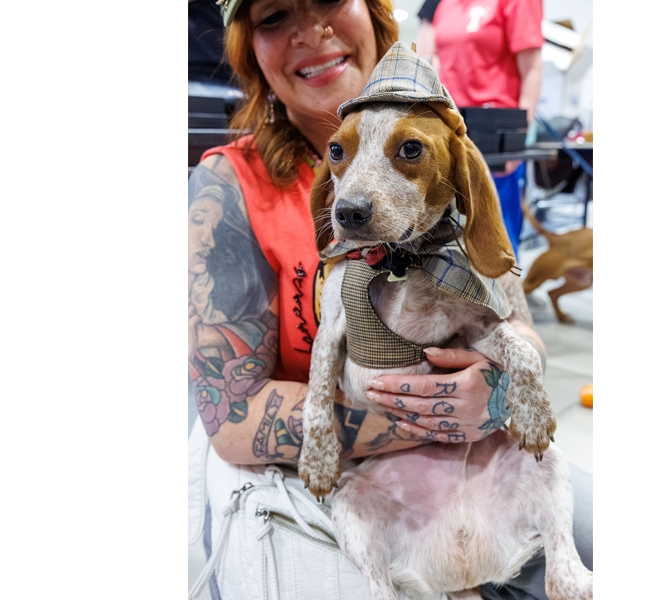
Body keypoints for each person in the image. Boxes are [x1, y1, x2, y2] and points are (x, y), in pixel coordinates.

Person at [188, 0, 589, 597]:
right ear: (248, 50)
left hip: (485, 456)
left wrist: (497, 395)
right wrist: (430, 421)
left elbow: (515, 324)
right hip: (345, 475)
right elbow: (231, 419)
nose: (313, 30)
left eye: (330, 0)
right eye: (273, 16)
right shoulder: (225, 187)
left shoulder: (447, 156)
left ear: (376, 14)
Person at [415, 0, 545, 262]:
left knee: (496, 236)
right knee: (447, 238)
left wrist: (519, 137)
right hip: (450, 128)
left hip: (495, 132)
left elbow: (532, 67)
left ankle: (507, 299)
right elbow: (425, 57)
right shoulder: (443, 5)